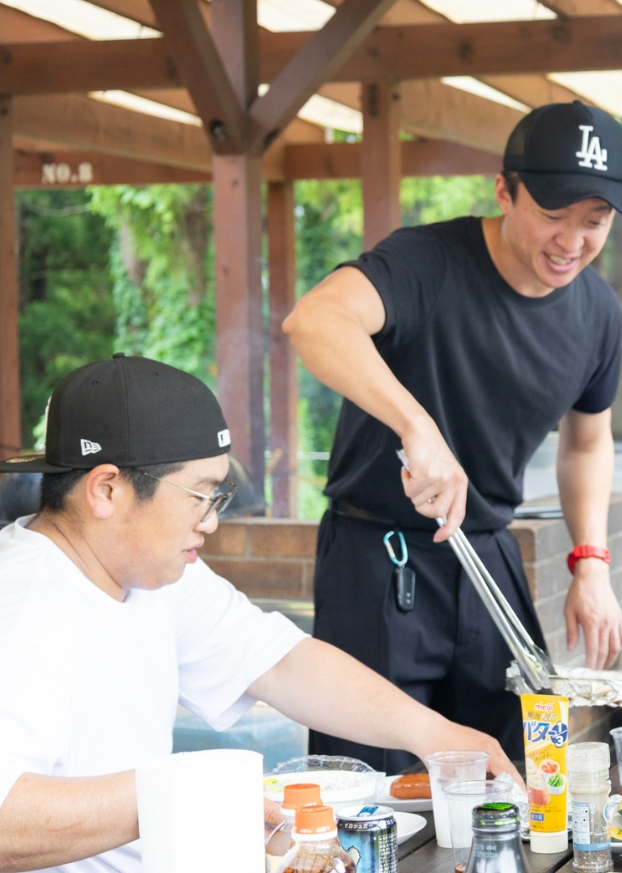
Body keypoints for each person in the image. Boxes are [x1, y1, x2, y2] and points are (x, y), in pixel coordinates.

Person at [0, 355, 521, 873]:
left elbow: (281, 663)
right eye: (199, 496)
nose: (212, 522)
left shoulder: (148, 572)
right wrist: (183, 792)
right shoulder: (23, 611)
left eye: (219, 495)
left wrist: (436, 735)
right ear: (107, 489)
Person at [284, 101, 622, 771]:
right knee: (375, 786)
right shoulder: (427, 261)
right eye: (553, 215)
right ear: (504, 191)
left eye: (594, 222)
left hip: (488, 558)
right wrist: (418, 427)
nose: (572, 242)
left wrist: (591, 563)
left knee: (517, 771)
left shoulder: (597, 314)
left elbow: (587, 442)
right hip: (378, 556)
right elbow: (315, 320)